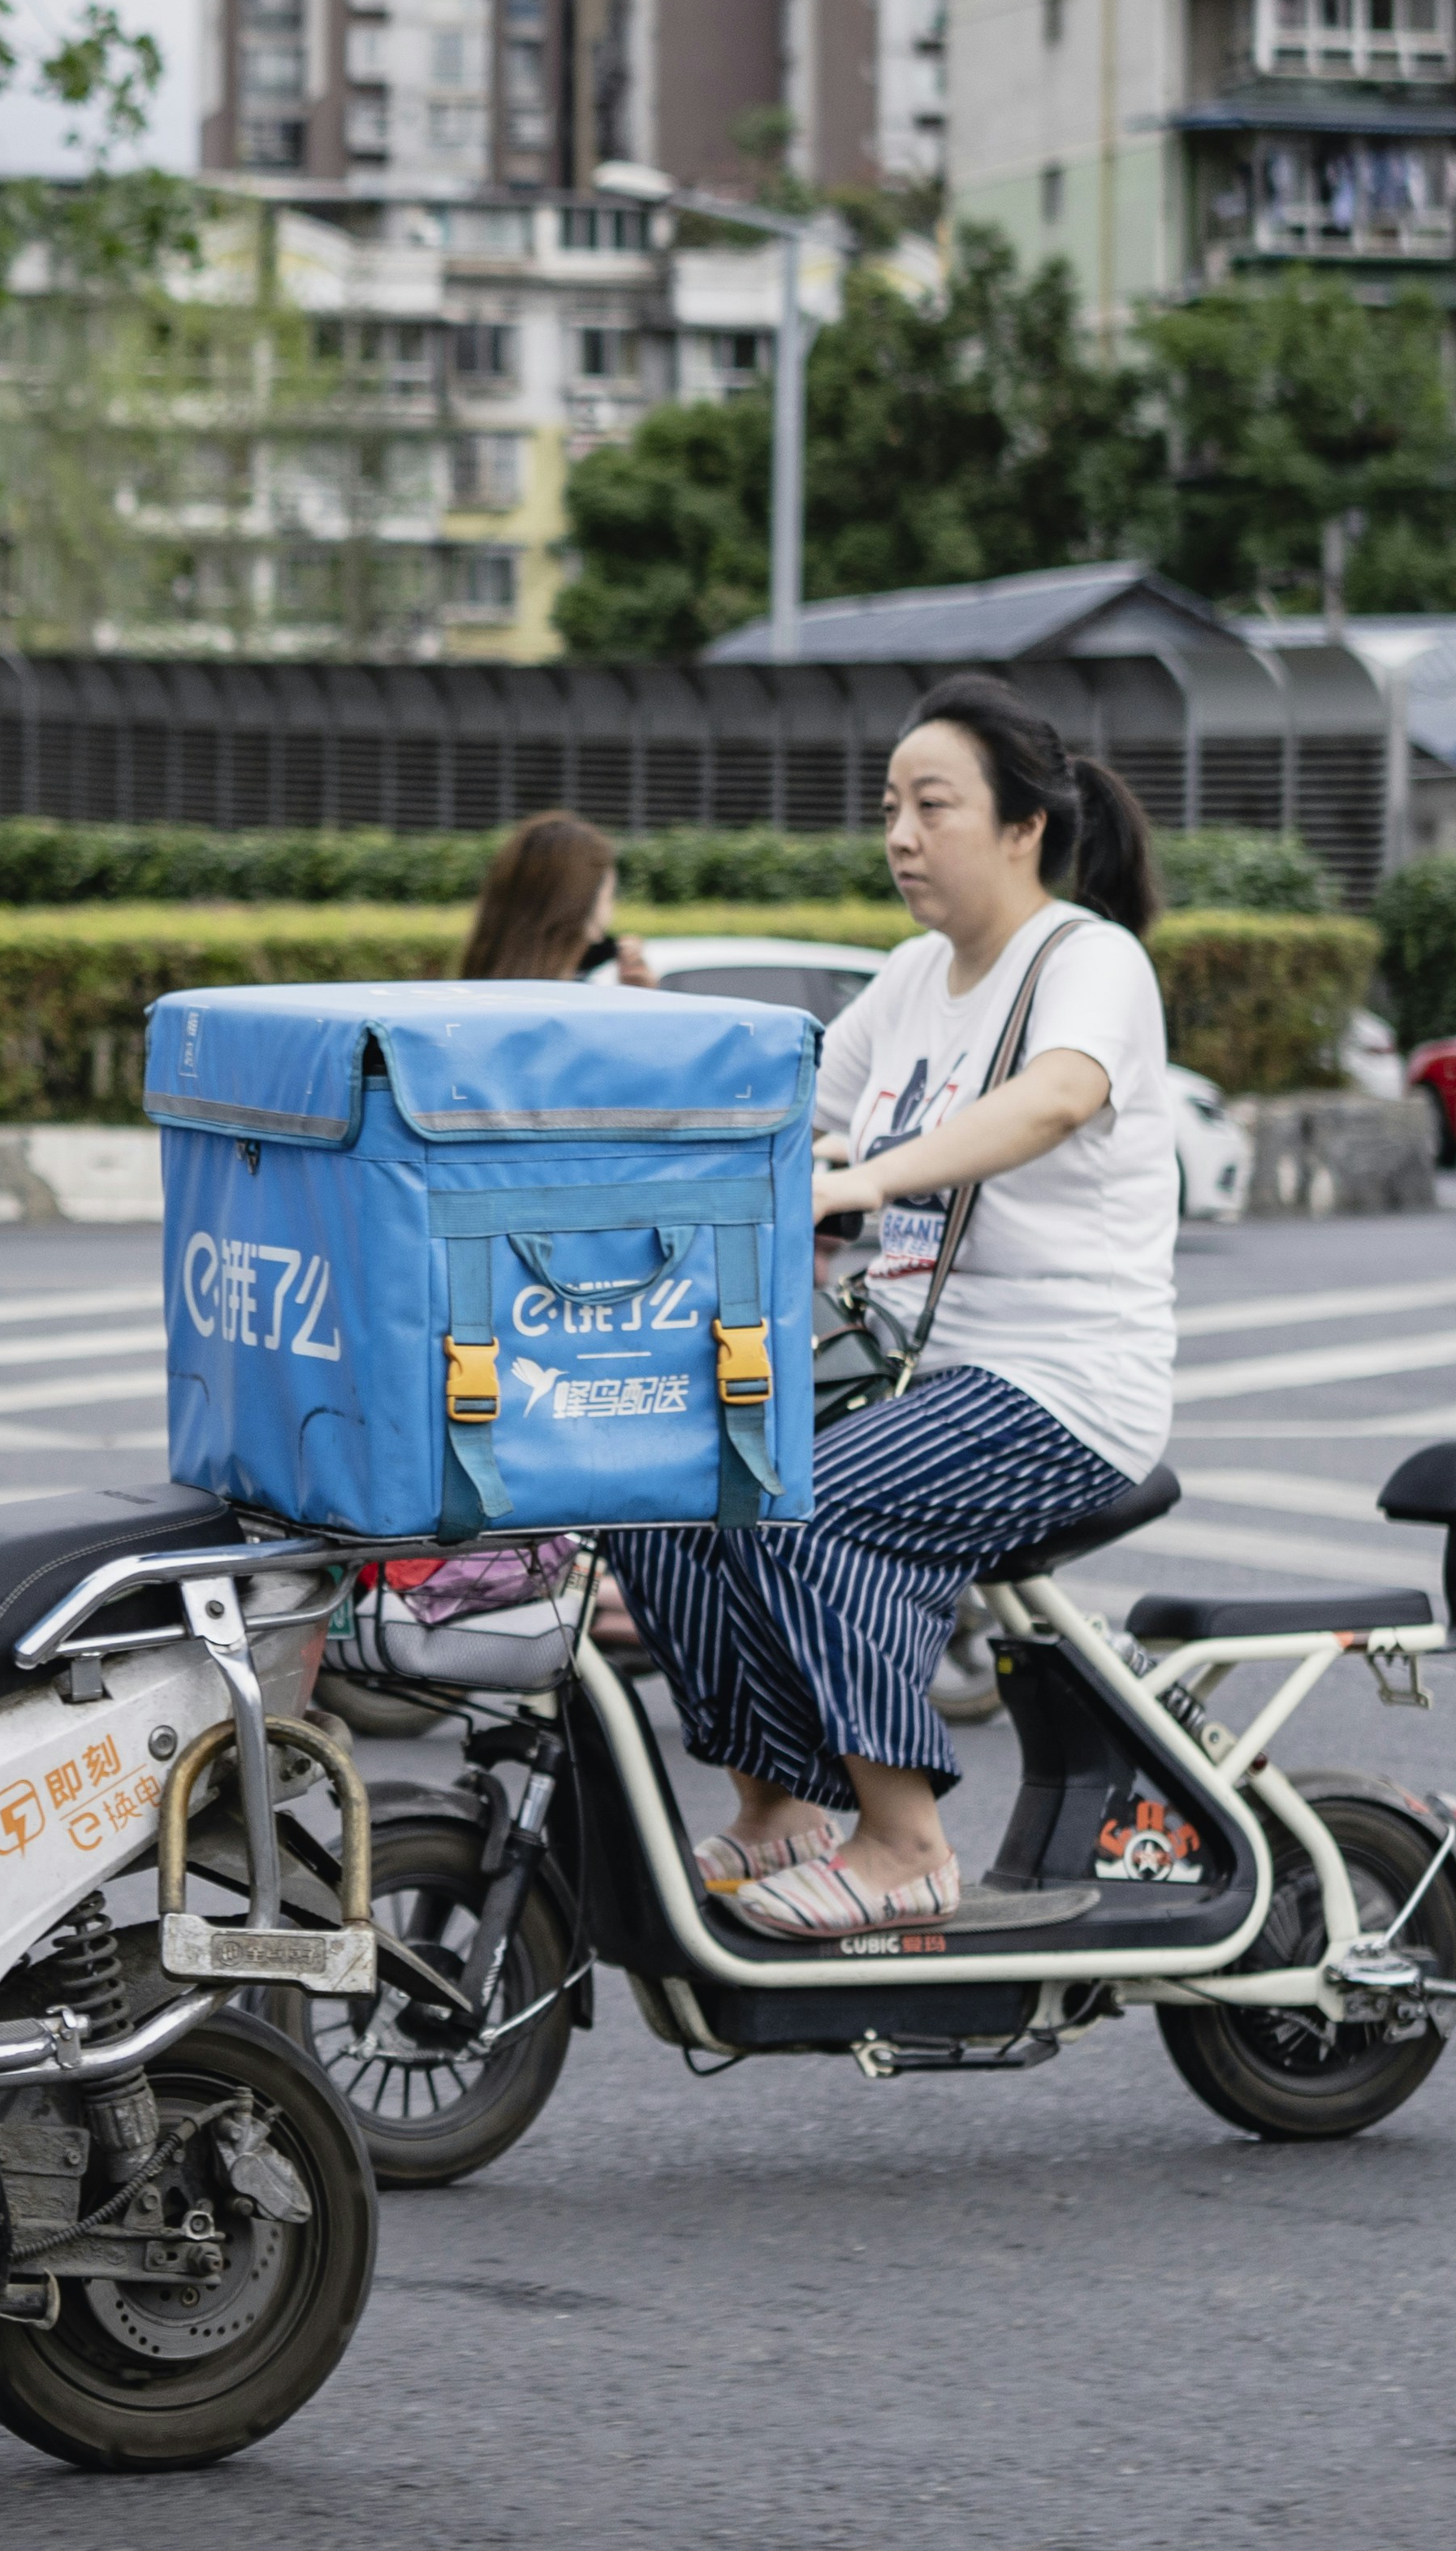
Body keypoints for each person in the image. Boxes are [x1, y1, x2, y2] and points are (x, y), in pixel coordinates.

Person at [606, 670, 1179, 1940]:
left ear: (1025, 827)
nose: (901, 837)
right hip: (920, 1375)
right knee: (665, 1490)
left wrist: (865, 1176)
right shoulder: (915, 979)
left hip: (1062, 1385)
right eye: (888, 809)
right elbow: (778, 1115)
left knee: (812, 1516)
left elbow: (1056, 1099)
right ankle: (780, 1811)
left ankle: (905, 1845)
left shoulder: (1086, 962)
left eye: (933, 806)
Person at [456, 811, 659, 985]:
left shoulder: (476, 996)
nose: (611, 911)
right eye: (609, 896)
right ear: (584, 905)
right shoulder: (571, 1009)